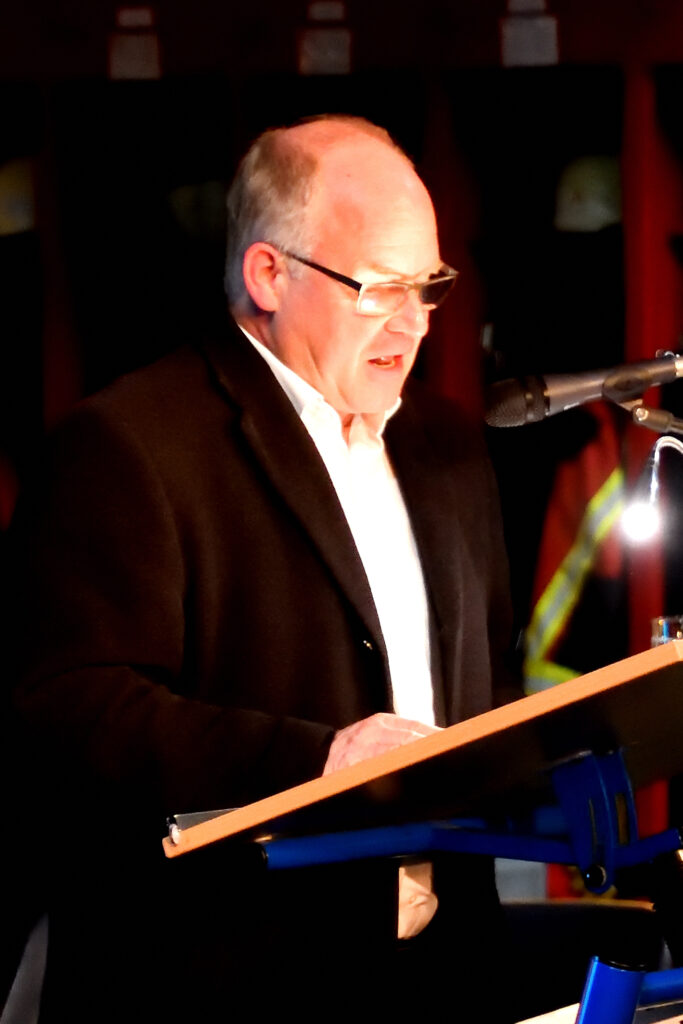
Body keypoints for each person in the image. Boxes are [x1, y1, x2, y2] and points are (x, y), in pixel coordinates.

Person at [7, 115, 518, 1021]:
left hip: (437, 974)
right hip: (227, 978)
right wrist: (317, 758)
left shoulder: (446, 445)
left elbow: (486, 687)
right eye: (380, 288)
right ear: (268, 275)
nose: (413, 323)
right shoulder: (130, 444)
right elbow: (68, 710)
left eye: (427, 286)